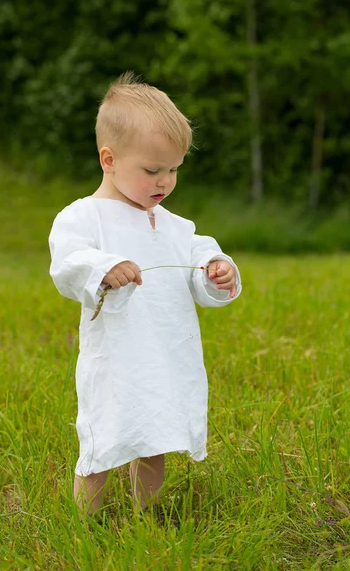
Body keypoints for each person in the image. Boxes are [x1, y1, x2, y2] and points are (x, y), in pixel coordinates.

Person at [49, 72, 242, 519]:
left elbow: (198, 258)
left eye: (173, 169)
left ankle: (146, 517)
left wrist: (216, 270)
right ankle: (84, 523)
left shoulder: (173, 224)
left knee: (156, 435)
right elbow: (68, 262)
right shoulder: (85, 217)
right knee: (101, 442)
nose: (165, 181)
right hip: (116, 358)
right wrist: (103, 269)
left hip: (165, 354)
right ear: (109, 159)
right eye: (152, 170)